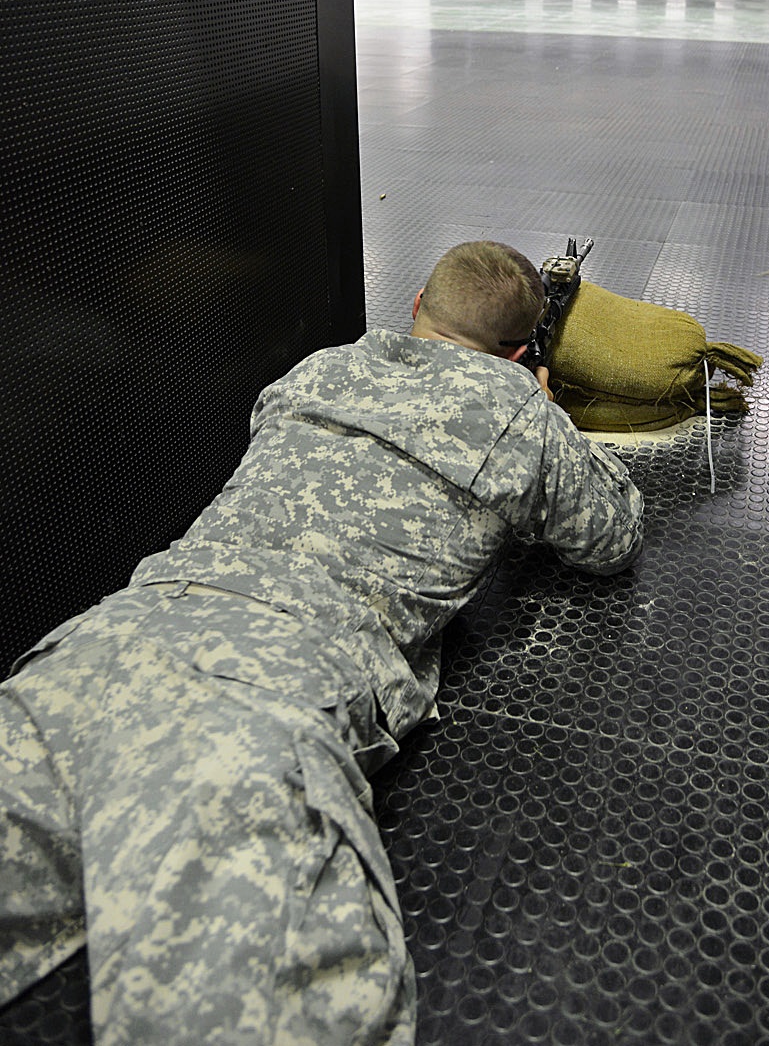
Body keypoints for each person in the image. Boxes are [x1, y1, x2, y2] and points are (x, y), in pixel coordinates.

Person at [0, 240, 643, 1045]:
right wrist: (548, 412)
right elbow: (610, 538)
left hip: (115, 632)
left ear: (416, 305)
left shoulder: (318, 368)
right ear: (519, 353)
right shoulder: (521, 415)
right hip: (267, 689)